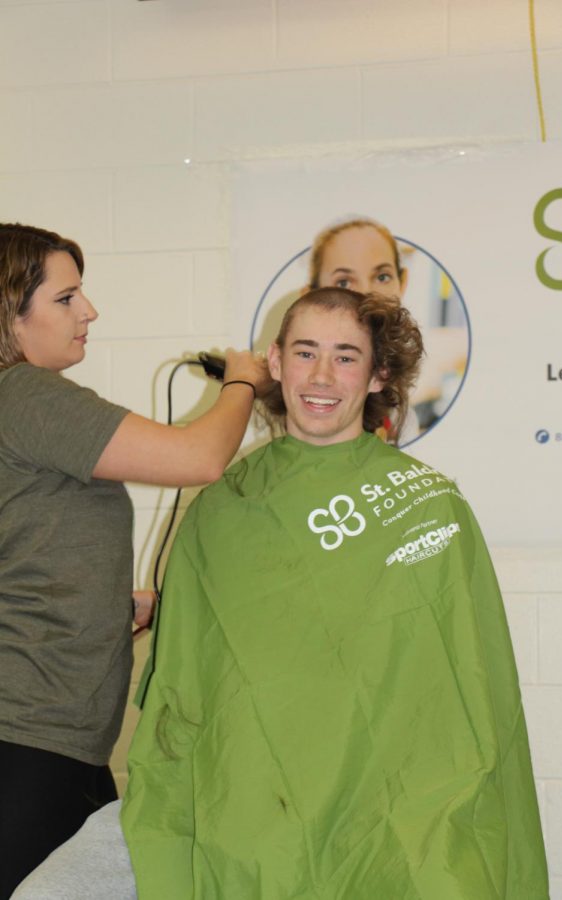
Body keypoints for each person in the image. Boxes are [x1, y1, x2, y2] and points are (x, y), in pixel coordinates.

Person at [13, 288, 549, 900]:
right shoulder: (224, 504)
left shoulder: (426, 504)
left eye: (346, 357)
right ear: (274, 361)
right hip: (252, 803)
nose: (322, 376)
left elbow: (470, 684)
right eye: (305, 352)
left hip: (395, 810)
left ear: (378, 375)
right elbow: (191, 675)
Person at [0, 222, 269, 899]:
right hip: (29, 741)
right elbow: (197, 459)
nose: (89, 311)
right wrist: (242, 381)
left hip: (56, 739)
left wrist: (117, 608)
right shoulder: (26, 397)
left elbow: (27, 553)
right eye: (66, 299)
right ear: (10, 311)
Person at [306, 215, 468, 444]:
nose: (367, 292)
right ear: (310, 295)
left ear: (402, 283)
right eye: (343, 282)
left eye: (382, 276)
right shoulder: (298, 390)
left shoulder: (405, 413)